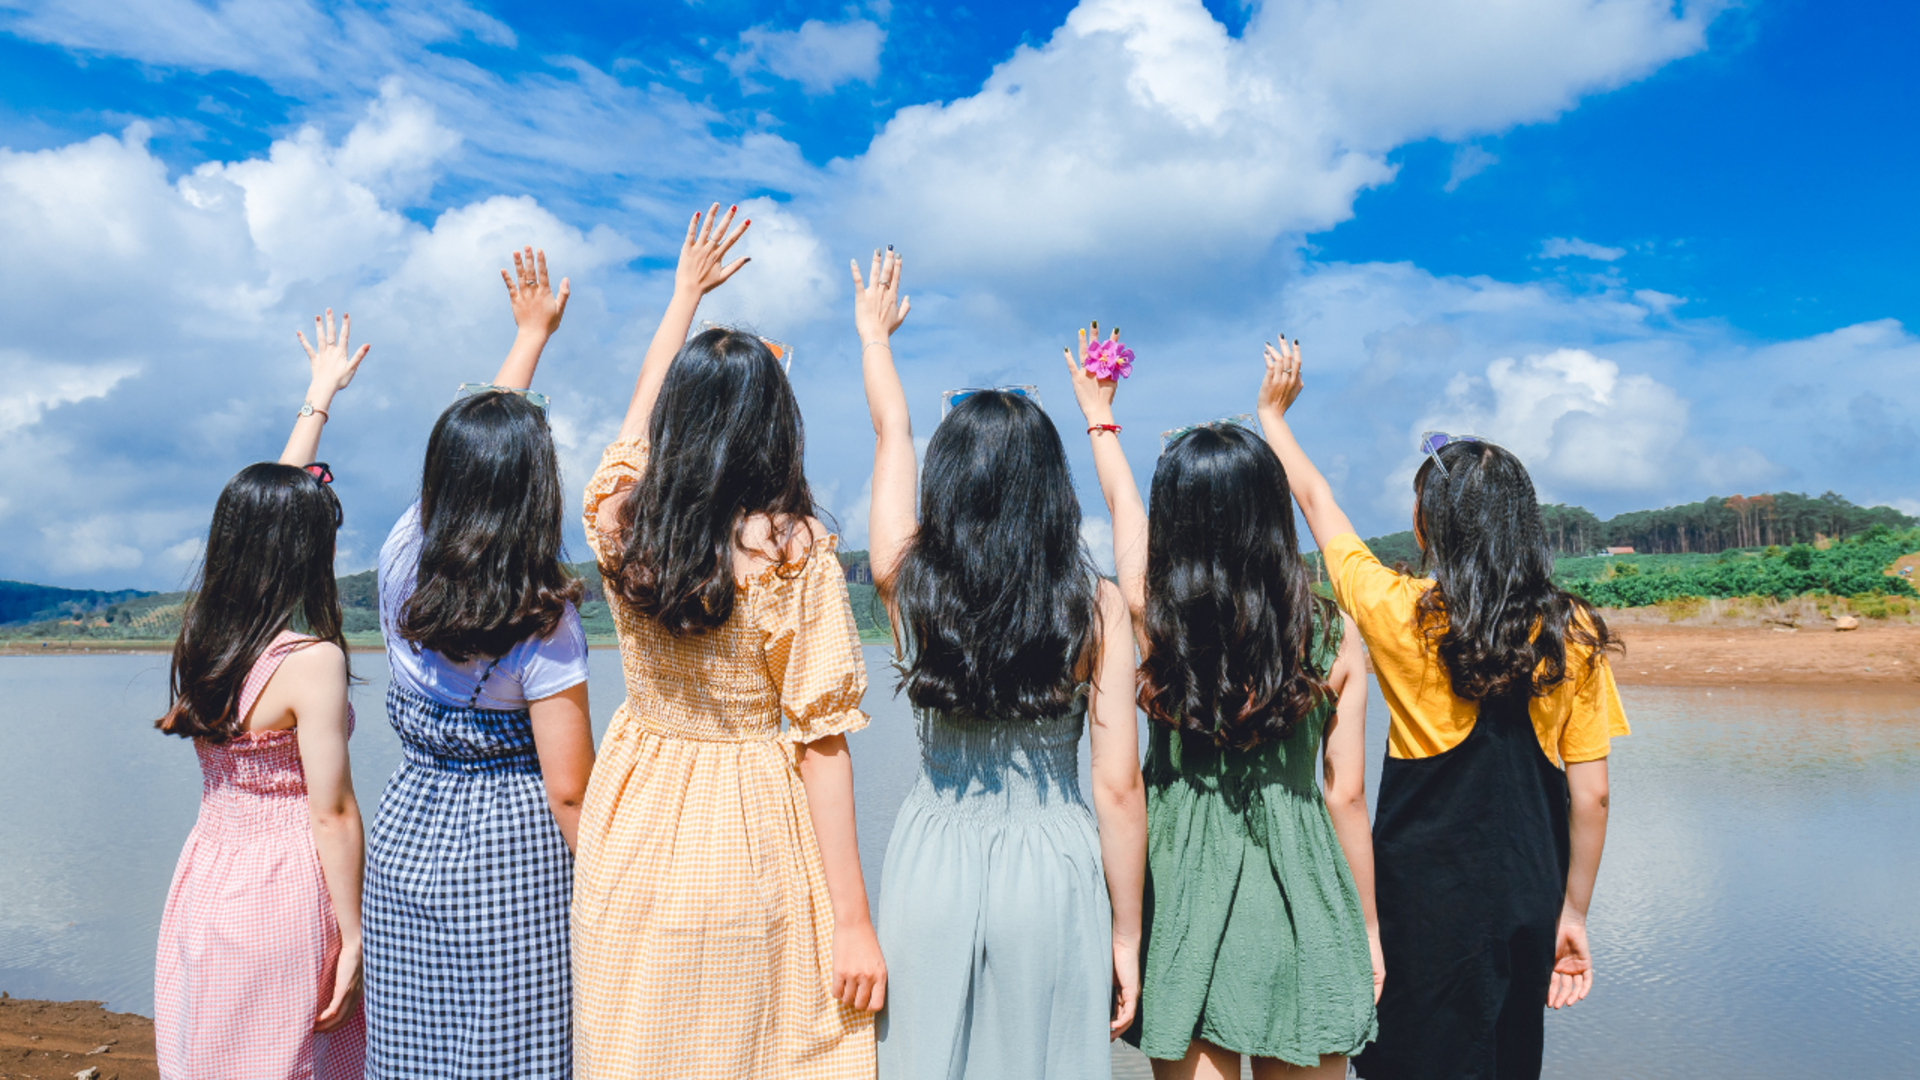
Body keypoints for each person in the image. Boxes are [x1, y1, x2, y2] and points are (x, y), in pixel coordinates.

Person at [571, 204, 885, 1079]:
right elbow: (821, 742)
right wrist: (854, 919)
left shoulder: (618, 519)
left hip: (633, 807)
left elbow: (636, 417)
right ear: (773, 426)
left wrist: (682, 297)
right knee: (764, 1045)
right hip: (751, 818)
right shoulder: (792, 553)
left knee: (638, 1044)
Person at [1254, 339, 1624, 1080]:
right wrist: (1573, 913)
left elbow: (1320, 505)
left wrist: (1273, 417)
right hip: (1529, 887)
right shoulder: (1572, 630)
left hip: (1419, 899)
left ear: (1429, 528)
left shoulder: (1398, 611)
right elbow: (1593, 793)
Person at [857, 253, 1147, 1079]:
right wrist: (1128, 933)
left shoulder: (906, 585)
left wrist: (875, 338)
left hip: (933, 852)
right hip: (1054, 860)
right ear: (1049, 489)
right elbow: (1118, 787)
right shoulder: (1096, 608)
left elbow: (892, 434)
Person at [1064, 326, 1381, 1080]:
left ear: (1175, 520)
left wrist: (1100, 417)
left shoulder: (1153, 617)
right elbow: (1347, 797)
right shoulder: (1333, 633)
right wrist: (1366, 926)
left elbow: (1121, 505)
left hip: (1182, 891)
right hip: (1304, 889)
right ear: (1272, 514)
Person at [360, 248, 593, 1079]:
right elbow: (568, 789)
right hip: (515, 856)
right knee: (519, 1050)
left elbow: (471, 459)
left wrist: (527, 337)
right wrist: (617, 885)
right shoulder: (547, 617)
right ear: (538, 489)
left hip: (407, 834)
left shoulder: (401, 552)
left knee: (415, 1047)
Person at [154, 310, 371, 1079]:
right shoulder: (310, 661)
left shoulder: (209, 637)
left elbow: (268, 512)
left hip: (209, 872)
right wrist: (352, 936)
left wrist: (319, 396)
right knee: (290, 1058)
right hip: (285, 881)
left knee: (216, 1052)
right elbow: (332, 810)